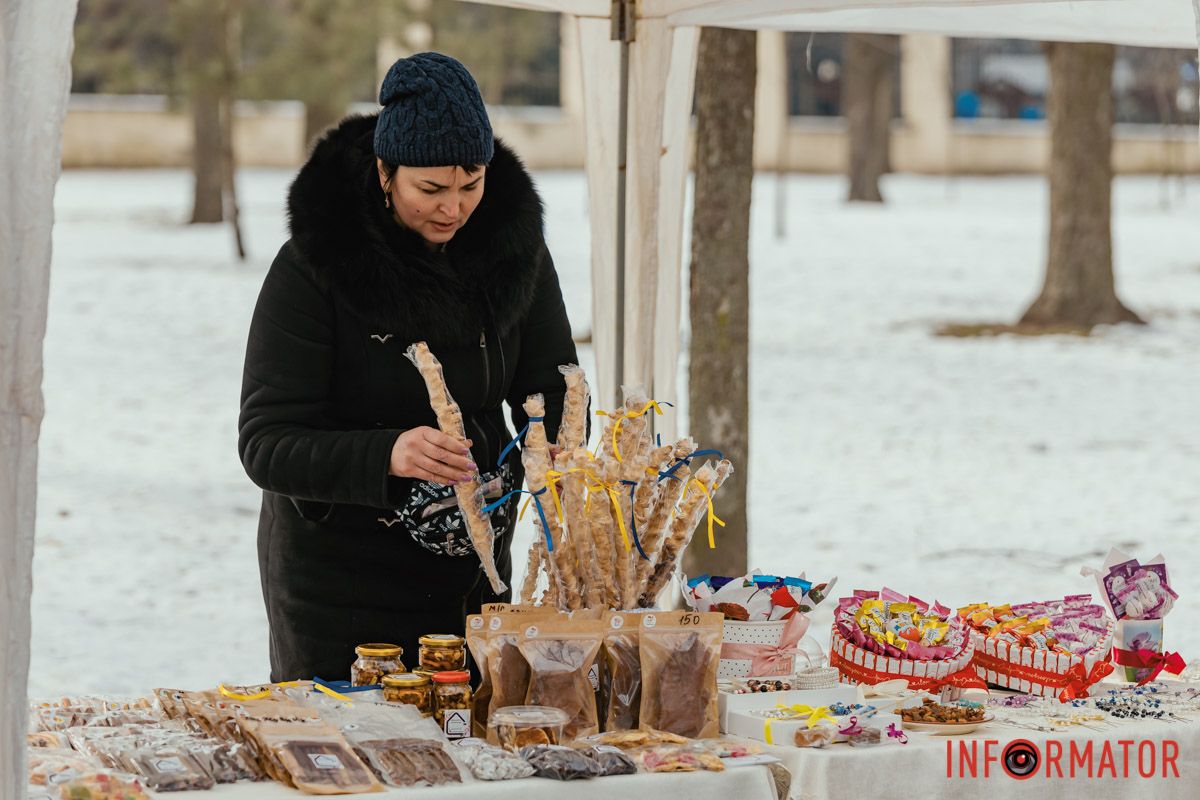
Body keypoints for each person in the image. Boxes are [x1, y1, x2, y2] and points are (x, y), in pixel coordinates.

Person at [238, 52, 578, 682]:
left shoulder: (513, 249)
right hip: (340, 584)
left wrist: (558, 449)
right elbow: (266, 443)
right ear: (385, 172)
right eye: (431, 189)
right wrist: (388, 453)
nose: (453, 208)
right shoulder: (316, 266)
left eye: (471, 184)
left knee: (468, 750)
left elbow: (553, 387)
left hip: (473, 571)